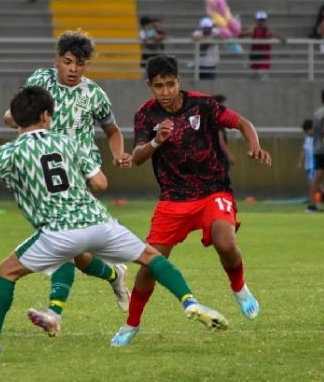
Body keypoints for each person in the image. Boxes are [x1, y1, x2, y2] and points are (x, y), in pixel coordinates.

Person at [0, 86, 228, 361]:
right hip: (99, 223)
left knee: (6, 272)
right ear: (46, 116)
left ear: (16, 119)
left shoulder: (10, 151)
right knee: (152, 258)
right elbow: (99, 182)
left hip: (59, 231)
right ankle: (190, 301)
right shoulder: (68, 143)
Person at [110, 54, 272, 348]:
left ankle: (239, 288)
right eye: (159, 86)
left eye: (170, 84)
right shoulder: (146, 115)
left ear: (179, 82)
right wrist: (157, 140)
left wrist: (255, 145)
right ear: (150, 86)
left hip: (213, 190)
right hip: (173, 198)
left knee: (225, 242)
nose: (165, 91)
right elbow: (137, 158)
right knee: (149, 266)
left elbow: (242, 122)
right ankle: (131, 324)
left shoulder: (203, 104)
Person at [3, 30, 134, 335]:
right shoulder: (41, 80)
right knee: (77, 253)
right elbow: (17, 113)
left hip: (77, 171)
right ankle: (114, 274)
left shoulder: (95, 95)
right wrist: (13, 117)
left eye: (80, 64)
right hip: (43, 169)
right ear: (57, 61)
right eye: (68, 62)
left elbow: (112, 131)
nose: (74, 69)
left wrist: (118, 154)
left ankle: (54, 313)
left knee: (60, 238)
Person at [241, 11, 285, 77]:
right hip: (255, 59)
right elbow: (241, 35)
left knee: (262, 75)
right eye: (259, 20)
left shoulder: (267, 31)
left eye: (262, 21)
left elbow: (276, 35)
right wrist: (250, 29)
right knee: (253, 76)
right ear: (256, 21)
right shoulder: (253, 31)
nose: (260, 22)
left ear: (265, 21)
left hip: (264, 60)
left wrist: (281, 38)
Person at [213, 94, 237, 169]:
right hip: (218, 159)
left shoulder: (211, 119)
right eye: (225, 104)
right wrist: (229, 156)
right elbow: (221, 143)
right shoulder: (217, 121)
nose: (227, 106)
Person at [298, 119, 316, 190]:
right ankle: (323, 192)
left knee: (313, 180)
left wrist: (300, 162)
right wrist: (300, 161)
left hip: (313, 165)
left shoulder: (316, 138)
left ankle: (323, 192)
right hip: (309, 164)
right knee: (313, 180)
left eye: (306, 130)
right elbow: (304, 151)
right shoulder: (307, 139)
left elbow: (304, 151)